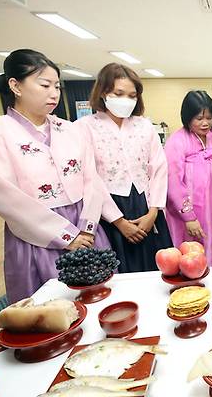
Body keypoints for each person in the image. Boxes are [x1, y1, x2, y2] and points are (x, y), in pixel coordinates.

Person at [0, 49, 110, 303]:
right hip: (37, 233)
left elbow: (92, 179)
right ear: (15, 85)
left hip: (85, 224)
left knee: (98, 298)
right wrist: (68, 236)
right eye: (44, 85)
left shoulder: (70, 129)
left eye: (57, 86)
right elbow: (3, 195)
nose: (54, 93)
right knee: (51, 307)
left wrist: (88, 227)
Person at [75, 63, 172, 273]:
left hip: (147, 205)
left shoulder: (144, 125)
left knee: (160, 268)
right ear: (103, 92)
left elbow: (158, 168)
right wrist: (119, 222)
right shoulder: (84, 127)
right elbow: (89, 177)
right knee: (120, 272)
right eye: (119, 93)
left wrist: (154, 211)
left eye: (132, 95)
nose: (126, 100)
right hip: (109, 209)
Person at [165, 91, 212, 265]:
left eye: (209, 118)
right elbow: (173, 182)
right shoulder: (177, 141)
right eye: (199, 118)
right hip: (190, 209)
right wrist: (189, 217)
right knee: (193, 251)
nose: (205, 123)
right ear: (187, 117)